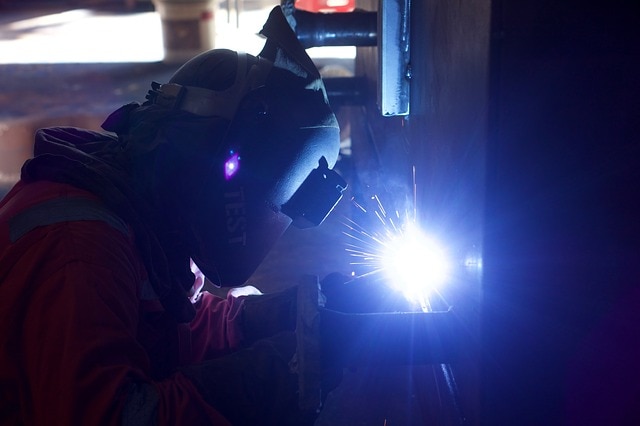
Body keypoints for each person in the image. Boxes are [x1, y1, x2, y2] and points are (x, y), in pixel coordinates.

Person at [0, 6, 346, 425]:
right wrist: (274, 373)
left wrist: (272, 316)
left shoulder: (133, 209)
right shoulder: (80, 252)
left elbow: (162, 328)